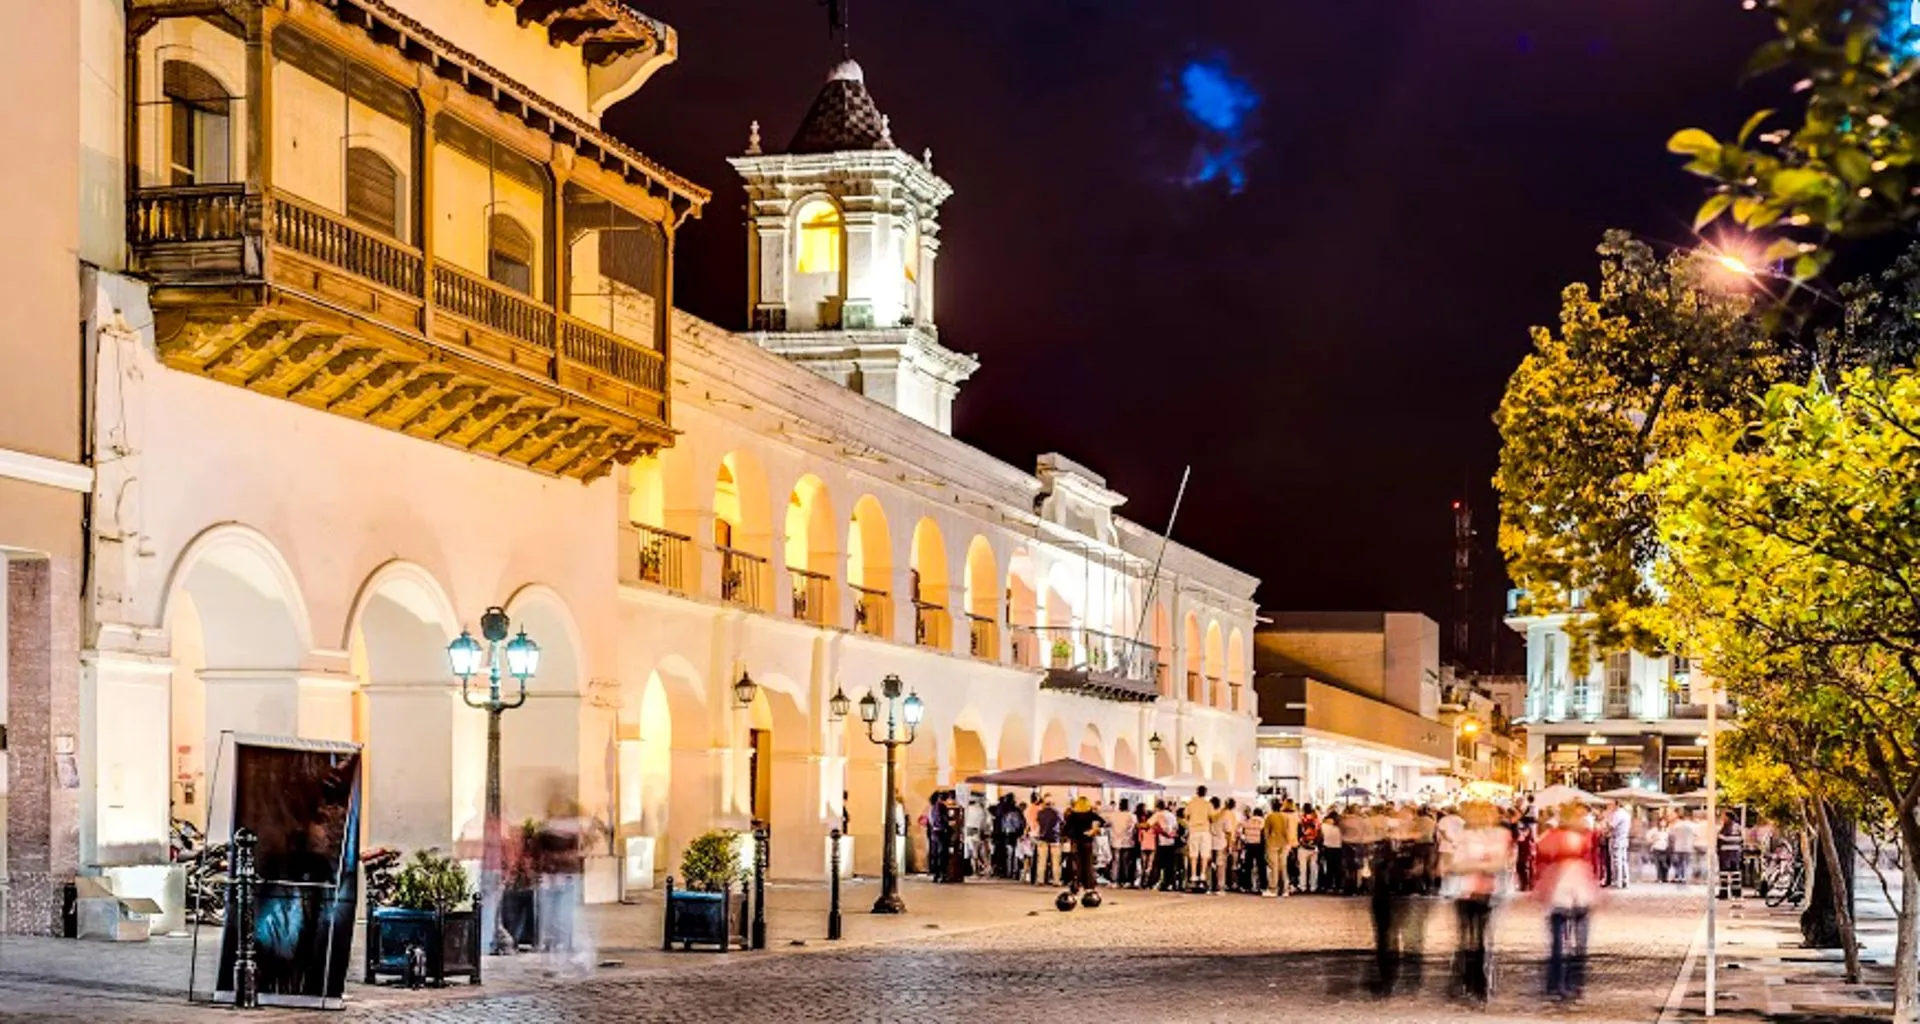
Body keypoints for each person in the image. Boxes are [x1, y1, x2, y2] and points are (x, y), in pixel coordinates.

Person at [1450, 803, 1512, 1003]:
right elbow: (1456, 865)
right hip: (1464, 891)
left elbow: (1499, 864)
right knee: (1467, 938)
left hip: (1485, 892)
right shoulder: (1465, 836)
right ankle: (1466, 979)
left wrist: (1474, 864)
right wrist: (1482, 864)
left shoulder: (1500, 836)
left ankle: (1478, 983)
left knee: (1480, 940)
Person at [1537, 810, 1600, 1001]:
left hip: (1567, 893)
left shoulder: (1552, 838)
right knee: (1574, 943)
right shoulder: (1581, 839)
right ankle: (1571, 983)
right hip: (1573, 892)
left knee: (1561, 943)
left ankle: (1559, 984)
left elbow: (1541, 861)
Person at [1065, 796, 1104, 891]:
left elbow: (1066, 829)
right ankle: (1088, 885)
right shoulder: (1091, 815)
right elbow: (1103, 822)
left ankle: (1076, 884)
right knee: (1088, 864)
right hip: (1087, 841)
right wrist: (1093, 830)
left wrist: (1071, 835)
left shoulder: (1072, 816)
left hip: (1075, 842)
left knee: (1076, 864)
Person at [1184, 787, 1216, 893]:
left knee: (1193, 855)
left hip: (1194, 830)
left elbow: (1186, 815)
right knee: (1204, 855)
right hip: (1205, 830)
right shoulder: (1208, 804)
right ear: (1205, 793)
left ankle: (1193, 876)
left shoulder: (1191, 803)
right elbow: (1212, 817)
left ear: (1197, 792)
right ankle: (1202, 876)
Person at [1265, 798, 1299, 896]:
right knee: (1283, 866)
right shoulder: (1285, 817)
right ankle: (1285, 889)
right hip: (1285, 844)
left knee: (1274, 866)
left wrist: (1267, 844)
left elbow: (1267, 832)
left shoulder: (1270, 817)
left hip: (1273, 843)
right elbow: (1288, 831)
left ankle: (1273, 889)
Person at [1107, 798, 1137, 887]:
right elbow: (1134, 827)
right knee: (1125, 862)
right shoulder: (1132, 816)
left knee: (1115, 862)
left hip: (1115, 841)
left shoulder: (1113, 815)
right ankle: (1126, 881)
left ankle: (1114, 880)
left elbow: (1107, 824)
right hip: (1128, 841)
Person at [1033, 796, 1063, 886]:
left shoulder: (1040, 813)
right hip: (1054, 838)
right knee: (1056, 861)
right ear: (1052, 804)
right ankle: (1056, 880)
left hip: (1042, 837)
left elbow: (1038, 823)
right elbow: (1062, 822)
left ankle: (1040, 880)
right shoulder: (1057, 812)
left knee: (1042, 860)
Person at [1240, 803, 1267, 895]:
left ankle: (1247, 885)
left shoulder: (1248, 821)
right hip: (1259, 845)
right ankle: (1263, 886)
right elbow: (1264, 833)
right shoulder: (1263, 821)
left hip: (1249, 845)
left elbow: (1243, 832)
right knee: (1261, 866)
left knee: (1248, 866)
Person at [1717, 811, 1745, 899]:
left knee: (1724, 874)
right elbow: (1741, 840)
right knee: (1735, 874)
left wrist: (1718, 847)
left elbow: (1721, 839)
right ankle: (1736, 893)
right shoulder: (1738, 827)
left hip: (1726, 854)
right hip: (1736, 854)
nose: (1722, 818)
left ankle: (1724, 893)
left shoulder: (1726, 827)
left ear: (1728, 817)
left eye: (1724, 817)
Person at [1297, 804, 1322, 895]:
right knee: (1313, 867)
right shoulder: (1316, 820)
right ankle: (1313, 886)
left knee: (1302, 867)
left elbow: (1299, 832)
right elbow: (1320, 833)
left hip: (1303, 846)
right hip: (1314, 847)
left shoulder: (1301, 820)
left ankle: (1302, 886)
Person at [1607, 801, 1632, 889]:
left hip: (1617, 839)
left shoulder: (1618, 814)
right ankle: (1625, 881)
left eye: (1611, 805)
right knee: (1624, 861)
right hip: (1624, 839)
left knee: (1617, 861)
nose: (1610, 806)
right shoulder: (1626, 814)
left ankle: (1618, 882)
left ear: (1617, 805)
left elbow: (1612, 826)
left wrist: (1605, 830)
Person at [1320, 812, 1345, 894]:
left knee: (1329, 868)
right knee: (1338, 868)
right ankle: (1338, 886)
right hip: (1339, 848)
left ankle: (1329, 886)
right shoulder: (1341, 827)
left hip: (1328, 848)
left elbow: (1321, 836)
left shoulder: (1324, 826)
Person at [1648, 814, 1672, 884]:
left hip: (1665, 849)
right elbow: (1648, 836)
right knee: (1658, 864)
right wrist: (1653, 840)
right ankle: (1659, 878)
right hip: (1656, 848)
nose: (1663, 823)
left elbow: (1672, 838)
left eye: (1664, 822)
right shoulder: (1655, 830)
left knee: (1665, 864)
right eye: (1661, 822)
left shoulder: (1668, 830)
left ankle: (1665, 878)